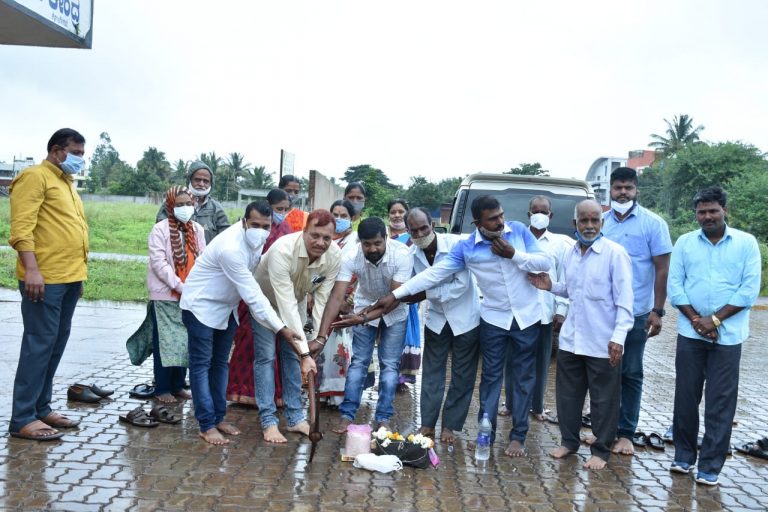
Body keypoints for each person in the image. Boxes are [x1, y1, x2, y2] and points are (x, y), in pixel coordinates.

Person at [370, 195, 550, 457]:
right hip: (493, 319)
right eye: (493, 218)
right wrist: (394, 296)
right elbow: (432, 275)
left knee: (522, 379)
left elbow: (544, 262)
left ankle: (518, 435)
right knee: (489, 378)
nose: (500, 221)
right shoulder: (467, 249)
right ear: (478, 223)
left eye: (500, 215)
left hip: (526, 318)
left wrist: (514, 255)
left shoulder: (519, 231)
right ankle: (484, 431)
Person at [179, 201, 311, 445]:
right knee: (201, 365)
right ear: (243, 222)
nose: (260, 230)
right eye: (255, 225)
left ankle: (218, 417)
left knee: (220, 364)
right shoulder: (231, 248)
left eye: (265, 225)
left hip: (226, 308)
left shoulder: (257, 240)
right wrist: (281, 328)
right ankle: (206, 425)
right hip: (200, 306)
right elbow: (253, 294)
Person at [528, 199, 633, 470]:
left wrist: (618, 337)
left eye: (594, 220)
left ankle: (601, 450)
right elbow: (572, 290)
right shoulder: (571, 253)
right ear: (575, 223)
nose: (589, 226)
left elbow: (625, 302)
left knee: (604, 400)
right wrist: (551, 286)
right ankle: (569, 442)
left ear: (602, 222)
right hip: (572, 339)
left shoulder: (615, 253)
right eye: (583, 221)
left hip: (603, 341)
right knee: (568, 396)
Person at [667, 187, 760, 486]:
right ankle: (683, 455)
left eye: (713, 211)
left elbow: (748, 290)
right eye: (702, 212)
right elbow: (675, 286)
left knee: (720, 402)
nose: (707, 216)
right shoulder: (684, 242)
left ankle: (710, 465)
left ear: (724, 211)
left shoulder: (746, 243)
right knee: (685, 396)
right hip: (690, 333)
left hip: (728, 337)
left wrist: (715, 319)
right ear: (696, 214)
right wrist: (697, 320)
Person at [8, 128, 89, 441]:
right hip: (44, 279)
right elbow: (21, 229)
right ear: (57, 151)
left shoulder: (66, 183)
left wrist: (79, 276)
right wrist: (31, 269)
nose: (80, 159)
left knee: (54, 345)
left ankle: (41, 407)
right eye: (76, 153)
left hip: (69, 277)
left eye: (82, 153)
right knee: (38, 345)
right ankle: (22, 418)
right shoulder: (35, 177)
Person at [310, 217, 412, 433]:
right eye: (367, 244)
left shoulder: (402, 254)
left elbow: (394, 299)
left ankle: (383, 417)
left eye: (377, 243)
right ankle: (347, 415)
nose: (372, 248)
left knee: (389, 366)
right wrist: (321, 336)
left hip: (395, 311)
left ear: (386, 239)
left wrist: (363, 319)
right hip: (364, 305)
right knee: (358, 363)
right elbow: (336, 298)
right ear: (360, 242)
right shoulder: (351, 256)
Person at [601, 166, 672, 456]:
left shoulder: (653, 224)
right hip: (603, 312)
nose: (623, 193)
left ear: (636, 190)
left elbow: (662, 269)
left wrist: (658, 310)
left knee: (630, 372)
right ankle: (603, 431)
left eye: (628, 188)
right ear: (610, 189)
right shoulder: (599, 222)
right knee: (603, 373)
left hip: (637, 312)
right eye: (618, 188)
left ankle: (626, 433)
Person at [253, 209, 341, 443]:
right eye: (315, 235)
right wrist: (304, 352)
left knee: (291, 357)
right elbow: (285, 303)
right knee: (266, 357)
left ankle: (294, 419)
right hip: (266, 302)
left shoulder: (334, 256)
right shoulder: (283, 250)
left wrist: (318, 340)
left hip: (297, 300)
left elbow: (322, 300)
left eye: (327, 238)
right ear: (303, 231)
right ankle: (268, 422)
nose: (320, 243)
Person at [402, 207, 481, 443]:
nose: (420, 233)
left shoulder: (457, 245)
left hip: (466, 318)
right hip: (436, 321)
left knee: (462, 375)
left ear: (433, 225)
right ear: (408, 231)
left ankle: (451, 426)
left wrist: (425, 293)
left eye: (424, 228)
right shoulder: (411, 255)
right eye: (414, 230)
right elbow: (410, 286)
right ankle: (427, 424)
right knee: (432, 374)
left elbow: (461, 285)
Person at [127, 186, 206, 403]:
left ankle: (179, 385)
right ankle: (162, 388)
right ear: (170, 205)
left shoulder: (197, 230)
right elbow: (159, 263)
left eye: (188, 203)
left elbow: (203, 260)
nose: (185, 208)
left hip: (190, 296)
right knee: (166, 343)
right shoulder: (160, 230)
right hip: (165, 295)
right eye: (180, 204)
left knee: (184, 341)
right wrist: (180, 286)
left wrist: (195, 288)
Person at [501, 196, 573, 420]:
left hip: (545, 313)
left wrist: (561, 310)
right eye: (535, 211)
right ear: (528, 214)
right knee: (513, 361)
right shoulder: (515, 240)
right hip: (518, 312)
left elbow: (564, 276)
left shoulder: (561, 244)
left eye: (544, 211)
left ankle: (538, 406)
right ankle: (511, 403)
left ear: (550, 215)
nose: (539, 215)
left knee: (542, 362)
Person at [226, 188, 294, 405]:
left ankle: (271, 395)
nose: (281, 213)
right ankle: (241, 392)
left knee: (271, 350)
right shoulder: (248, 231)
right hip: (250, 291)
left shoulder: (287, 230)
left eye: (285, 209)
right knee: (248, 343)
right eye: (278, 209)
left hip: (276, 294)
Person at [315, 200, 360, 405]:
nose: (339, 219)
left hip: (346, 302)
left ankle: (339, 396)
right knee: (322, 346)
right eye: (335, 214)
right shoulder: (324, 239)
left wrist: (348, 300)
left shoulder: (357, 241)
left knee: (341, 351)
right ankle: (322, 392)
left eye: (344, 215)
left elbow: (359, 274)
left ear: (353, 218)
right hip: (322, 299)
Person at [386, 199, 421, 393]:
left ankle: (401, 378)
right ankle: (387, 375)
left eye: (401, 212)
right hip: (385, 294)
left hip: (408, 294)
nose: (397, 215)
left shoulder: (413, 238)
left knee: (405, 336)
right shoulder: (382, 236)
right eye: (393, 212)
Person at [157, 160, 229, 244]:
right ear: (189, 180)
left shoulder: (216, 208)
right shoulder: (172, 203)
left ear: (211, 183)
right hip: (176, 254)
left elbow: (225, 235)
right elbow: (160, 231)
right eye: (197, 180)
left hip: (206, 256)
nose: (201, 184)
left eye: (206, 181)